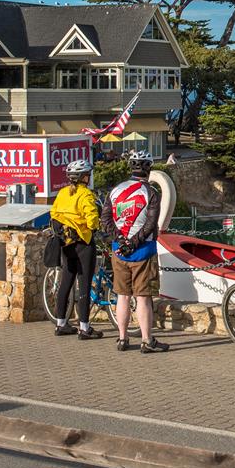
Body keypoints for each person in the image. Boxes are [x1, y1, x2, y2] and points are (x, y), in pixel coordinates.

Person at [102, 150, 168, 353]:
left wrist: (120, 239)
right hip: (142, 251)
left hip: (119, 251)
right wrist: (134, 242)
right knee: (142, 297)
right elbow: (150, 223)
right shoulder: (150, 193)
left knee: (122, 295)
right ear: (148, 168)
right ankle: (147, 340)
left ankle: (122, 338)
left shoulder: (115, 190)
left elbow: (106, 220)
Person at [50, 158, 103, 340]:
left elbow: (54, 213)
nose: (89, 177)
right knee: (84, 284)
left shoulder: (63, 193)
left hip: (66, 243)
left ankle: (61, 324)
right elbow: (92, 218)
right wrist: (93, 228)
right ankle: (84, 327)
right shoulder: (86, 195)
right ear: (83, 177)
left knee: (66, 282)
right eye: (88, 175)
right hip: (83, 243)